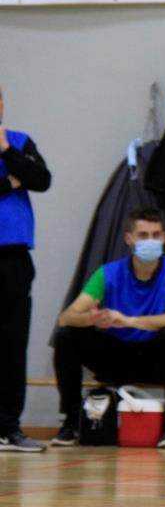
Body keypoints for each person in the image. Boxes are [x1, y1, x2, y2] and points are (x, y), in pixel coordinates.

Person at [52, 207, 165, 449]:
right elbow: (67, 317)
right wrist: (94, 319)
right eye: (143, 235)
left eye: (156, 234)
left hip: (156, 360)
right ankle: (71, 422)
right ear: (129, 239)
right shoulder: (108, 273)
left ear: (164, 237)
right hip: (116, 357)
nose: (150, 241)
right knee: (67, 336)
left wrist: (128, 320)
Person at [0, 84, 53, 453]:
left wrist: (7, 152)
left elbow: (42, 180)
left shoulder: (19, 141)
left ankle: (8, 428)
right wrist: (9, 182)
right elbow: (20, 181)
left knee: (11, 344)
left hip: (13, 257)